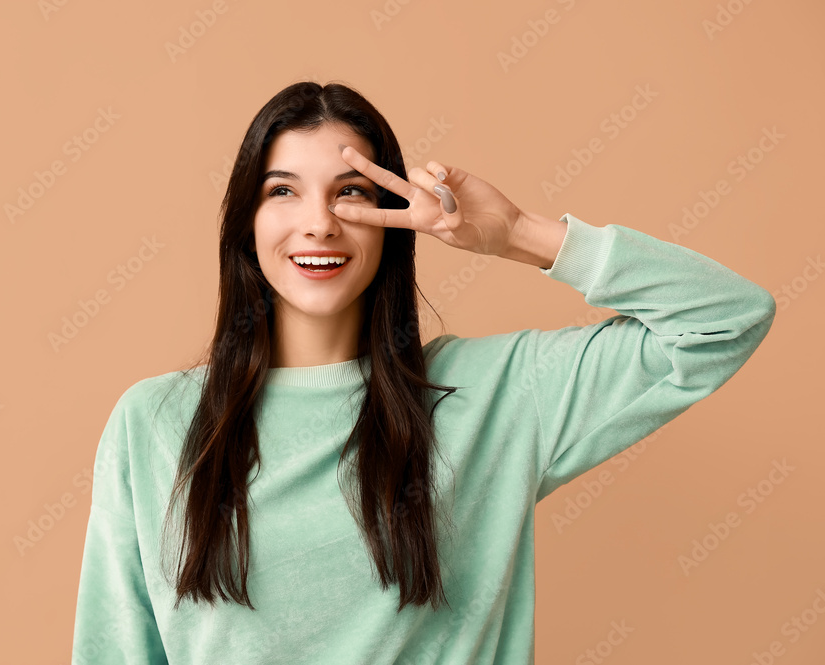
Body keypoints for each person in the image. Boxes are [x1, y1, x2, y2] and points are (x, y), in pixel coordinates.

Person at [70, 81, 776, 664]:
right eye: (283, 191)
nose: (318, 223)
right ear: (245, 224)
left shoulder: (496, 394)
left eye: (351, 192)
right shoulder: (154, 423)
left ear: (392, 217)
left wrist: (520, 233)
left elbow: (725, 319)